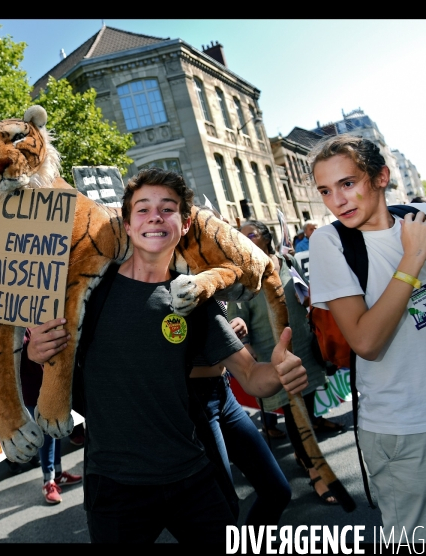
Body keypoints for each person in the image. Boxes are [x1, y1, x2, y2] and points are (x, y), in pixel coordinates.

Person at [27, 168, 308, 544]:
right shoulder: (85, 293)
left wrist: (281, 371)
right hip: (114, 486)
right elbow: (41, 365)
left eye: (167, 208)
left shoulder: (194, 297)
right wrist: (35, 351)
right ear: (125, 225)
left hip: (191, 478)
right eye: (142, 209)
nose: (155, 216)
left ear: (185, 222)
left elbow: (253, 376)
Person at [307, 134, 426, 539]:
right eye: (325, 190)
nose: (337, 201)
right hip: (401, 430)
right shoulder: (330, 242)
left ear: (380, 177)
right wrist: (412, 256)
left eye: (348, 183)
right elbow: (366, 342)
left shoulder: (424, 216)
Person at [229, 220, 341, 505]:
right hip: (271, 352)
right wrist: (249, 348)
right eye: (240, 237)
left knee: (309, 396)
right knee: (293, 410)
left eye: (250, 234)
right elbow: (236, 317)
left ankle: (306, 448)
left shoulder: (288, 260)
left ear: (266, 238)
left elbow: (304, 293)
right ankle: (313, 467)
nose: (245, 240)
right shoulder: (241, 275)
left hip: (303, 343)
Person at [189, 310, 293, 526]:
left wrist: (232, 327)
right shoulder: (165, 279)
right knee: (225, 509)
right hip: (194, 400)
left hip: (224, 391)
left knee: (277, 491)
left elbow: (215, 327)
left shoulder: (214, 279)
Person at [20, 328, 82, 504]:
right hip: (33, 391)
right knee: (46, 435)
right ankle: (48, 482)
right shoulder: (16, 324)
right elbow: (18, 354)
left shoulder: (40, 317)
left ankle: (58, 474)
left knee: (54, 433)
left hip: (49, 385)